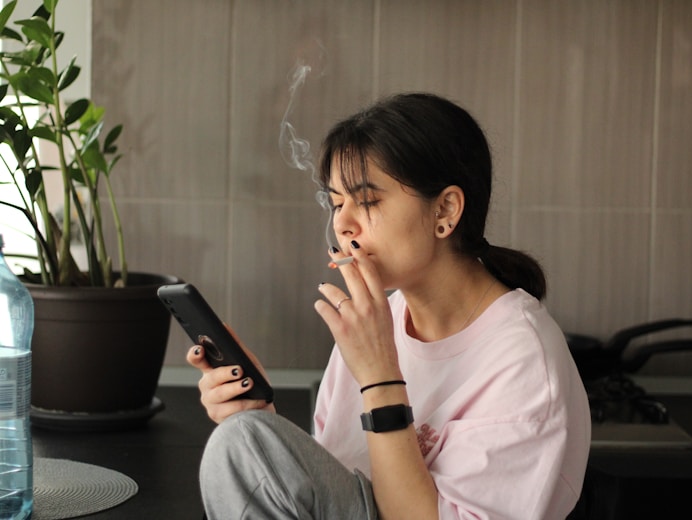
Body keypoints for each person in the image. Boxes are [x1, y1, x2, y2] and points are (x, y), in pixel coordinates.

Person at [187, 92, 591, 519]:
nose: (342, 224)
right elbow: (338, 481)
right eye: (336, 203)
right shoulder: (381, 319)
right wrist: (262, 424)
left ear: (446, 210)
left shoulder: (524, 361)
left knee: (244, 441)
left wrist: (380, 376)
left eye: (367, 201)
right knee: (245, 440)